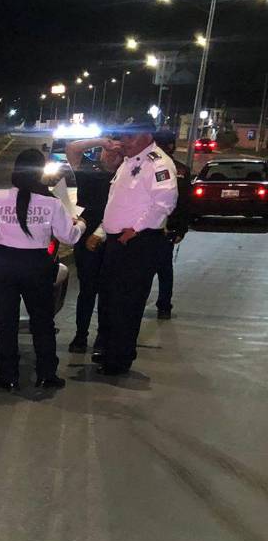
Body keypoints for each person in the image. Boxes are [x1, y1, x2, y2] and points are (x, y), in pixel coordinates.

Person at [0, 148, 85, 391]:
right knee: (42, 323)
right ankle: (46, 374)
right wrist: (82, 224)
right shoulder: (52, 204)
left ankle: (8, 377)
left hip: (3, 265)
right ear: (39, 173)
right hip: (37, 266)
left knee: (6, 324)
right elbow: (70, 236)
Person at [95, 122, 179, 376]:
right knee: (110, 300)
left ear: (146, 136)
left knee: (127, 302)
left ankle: (119, 358)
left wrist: (137, 229)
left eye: (130, 137)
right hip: (116, 242)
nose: (125, 141)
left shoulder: (158, 163)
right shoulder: (129, 161)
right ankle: (110, 350)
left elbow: (164, 202)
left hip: (136, 243)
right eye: (123, 136)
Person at [64, 135, 124, 353]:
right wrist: (101, 141)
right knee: (87, 289)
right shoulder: (89, 169)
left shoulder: (126, 175)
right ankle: (81, 336)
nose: (112, 155)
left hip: (113, 236)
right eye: (109, 150)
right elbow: (72, 147)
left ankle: (103, 338)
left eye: (118, 153)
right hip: (86, 233)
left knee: (109, 290)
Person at [150, 128, 191, 319]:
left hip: (161, 227)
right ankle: (163, 305)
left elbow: (183, 202)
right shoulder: (177, 168)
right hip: (159, 227)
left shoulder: (175, 169)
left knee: (159, 268)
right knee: (163, 269)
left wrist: (180, 228)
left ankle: (163, 304)